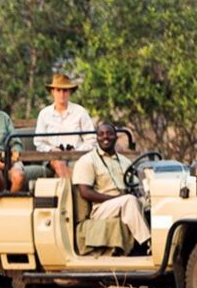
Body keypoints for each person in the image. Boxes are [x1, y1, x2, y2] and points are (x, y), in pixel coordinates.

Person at [72, 122, 150, 254]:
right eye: (101, 134)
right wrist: (115, 198)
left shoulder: (124, 160)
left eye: (109, 133)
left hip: (123, 201)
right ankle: (148, 244)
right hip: (101, 208)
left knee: (150, 202)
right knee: (129, 201)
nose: (105, 137)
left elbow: (134, 184)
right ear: (97, 138)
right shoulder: (87, 160)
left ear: (116, 137)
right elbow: (85, 192)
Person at [33, 71, 95, 178]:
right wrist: (51, 150)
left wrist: (77, 151)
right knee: (59, 163)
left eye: (65, 90)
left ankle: (68, 191)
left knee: (79, 166)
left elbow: (92, 139)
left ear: (70, 92)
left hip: (78, 156)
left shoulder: (80, 112)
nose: (62, 94)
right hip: (53, 157)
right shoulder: (44, 114)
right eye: (58, 90)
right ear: (52, 92)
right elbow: (38, 142)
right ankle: (71, 191)